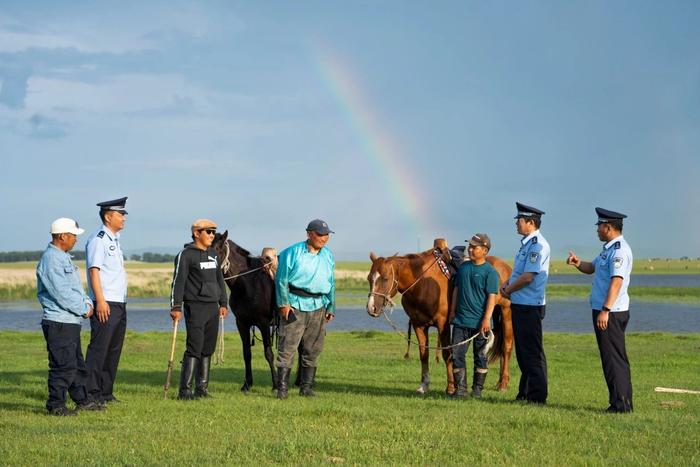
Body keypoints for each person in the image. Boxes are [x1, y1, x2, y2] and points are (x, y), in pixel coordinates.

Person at [567, 207, 634, 413]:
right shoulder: (608, 249)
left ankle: (621, 405)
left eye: (599, 226)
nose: (597, 230)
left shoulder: (619, 250)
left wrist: (605, 309)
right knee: (610, 358)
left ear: (608, 227)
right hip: (604, 311)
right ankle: (618, 402)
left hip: (611, 313)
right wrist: (578, 263)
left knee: (614, 359)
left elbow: (616, 282)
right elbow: (592, 268)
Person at [37, 218, 103, 415]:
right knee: (62, 365)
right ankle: (55, 404)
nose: (75, 239)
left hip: (69, 321)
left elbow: (75, 288)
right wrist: (83, 309)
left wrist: (88, 302)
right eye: (73, 235)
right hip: (59, 322)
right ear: (62, 236)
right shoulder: (51, 259)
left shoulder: (64, 257)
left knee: (76, 364)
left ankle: (82, 400)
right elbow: (61, 292)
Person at [275, 219, 336, 399]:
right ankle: (282, 390)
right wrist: (284, 304)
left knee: (314, 348)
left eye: (326, 235)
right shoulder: (291, 252)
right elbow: (281, 280)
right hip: (295, 304)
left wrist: (331, 305)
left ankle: (306, 387)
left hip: (318, 306)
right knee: (288, 347)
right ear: (309, 233)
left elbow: (331, 283)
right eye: (320, 234)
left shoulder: (328, 255)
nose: (324, 238)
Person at [169, 219, 229, 400]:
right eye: (208, 231)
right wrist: (176, 306)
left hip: (213, 307)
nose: (212, 235)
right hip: (195, 307)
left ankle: (202, 389)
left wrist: (224, 303)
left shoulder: (213, 254)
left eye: (213, 232)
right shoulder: (185, 255)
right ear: (196, 233)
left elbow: (220, 280)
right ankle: (185, 391)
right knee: (194, 347)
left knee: (207, 348)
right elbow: (178, 282)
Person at [501, 202, 550, 404]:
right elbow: (519, 273)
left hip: (530, 305)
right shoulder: (527, 244)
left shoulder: (538, 245)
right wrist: (507, 283)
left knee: (532, 352)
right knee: (523, 352)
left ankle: (537, 397)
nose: (516, 224)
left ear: (530, 222)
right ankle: (525, 392)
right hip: (521, 304)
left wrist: (509, 290)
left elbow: (529, 276)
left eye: (519, 220)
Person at [84, 197, 129, 405]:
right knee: (99, 349)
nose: (124, 218)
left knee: (113, 349)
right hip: (106, 301)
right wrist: (100, 301)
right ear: (108, 216)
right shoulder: (98, 240)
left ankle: (105, 392)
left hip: (119, 302)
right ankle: (90, 394)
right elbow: (95, 272)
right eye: (121, 214)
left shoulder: (114, 240)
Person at [448, 233, 500, 398]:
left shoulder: (490, 272)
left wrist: (486, 319)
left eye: (474, 247)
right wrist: (452, 311)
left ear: (484, 250)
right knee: (456, 355)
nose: (470, 249)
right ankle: (461, 390)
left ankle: (477, 390)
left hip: (480, 324)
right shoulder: (463, 268)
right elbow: (456, 289)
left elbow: (492, 297)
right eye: (469, 246)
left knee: (480, 356)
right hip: (460, 321)